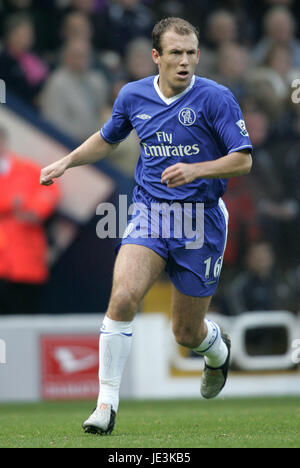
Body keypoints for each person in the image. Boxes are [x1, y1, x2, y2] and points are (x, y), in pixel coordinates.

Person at [40, 17, 253, 435]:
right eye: (176, 52)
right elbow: (108, 138)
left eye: (192, 52)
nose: (186, 61)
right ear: (156, 57)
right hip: (151, 213)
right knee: (122, 297)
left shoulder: (217, 98)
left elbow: (243, 159)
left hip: (201, 221)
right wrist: (67, 160)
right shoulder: (133, 95)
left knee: (186, 333)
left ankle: (216, 351)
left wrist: (196, 170)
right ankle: (105, 405)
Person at [0, 127, 60, 314]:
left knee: (24, 318)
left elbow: (49, 195)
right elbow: (12, 200)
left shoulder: (28, 170)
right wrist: (13, 202)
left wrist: (31, 208)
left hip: (26, 264)